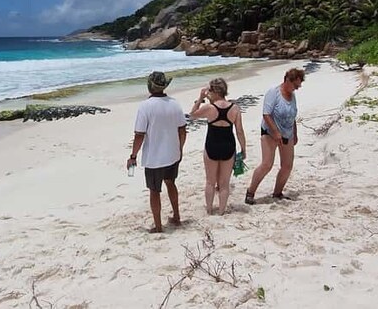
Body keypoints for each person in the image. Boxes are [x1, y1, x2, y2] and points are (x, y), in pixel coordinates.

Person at [130, 71, 187, 233]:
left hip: (154, 158)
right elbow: (183, 131)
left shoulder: (145, 106)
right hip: (172, 154)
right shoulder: (174, 103)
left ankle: (158, 226)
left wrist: (133, 156)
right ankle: (176, 216)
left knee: (154, 191)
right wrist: (180, 149)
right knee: (171, 183)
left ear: (149, 86)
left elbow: (139, 135)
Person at [245, 67, 304, 205]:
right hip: (270, 133)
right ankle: (250, 192)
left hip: (287, 134)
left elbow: (292, 115)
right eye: (296, 85)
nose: (297, 88)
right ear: (287, 80)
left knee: (287, 166)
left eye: (299, 85)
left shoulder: (292, 95)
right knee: (267, 164)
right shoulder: (274, 92)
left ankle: (277, 193)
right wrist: (276, 132)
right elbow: (266, 114)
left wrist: (295, 133)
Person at [189, 78, 247, 215]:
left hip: (212, 146)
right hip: (228, 146)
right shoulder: (235, 108)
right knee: (224, 183)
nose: (208, 94)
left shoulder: (209, 108)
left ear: (215, 91)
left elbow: (192, 115)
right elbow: (239, 131)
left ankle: (209, 210)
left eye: (209, 91)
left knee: (210, 181)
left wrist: (200, 98)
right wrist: (243, 148)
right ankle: (221, 211)